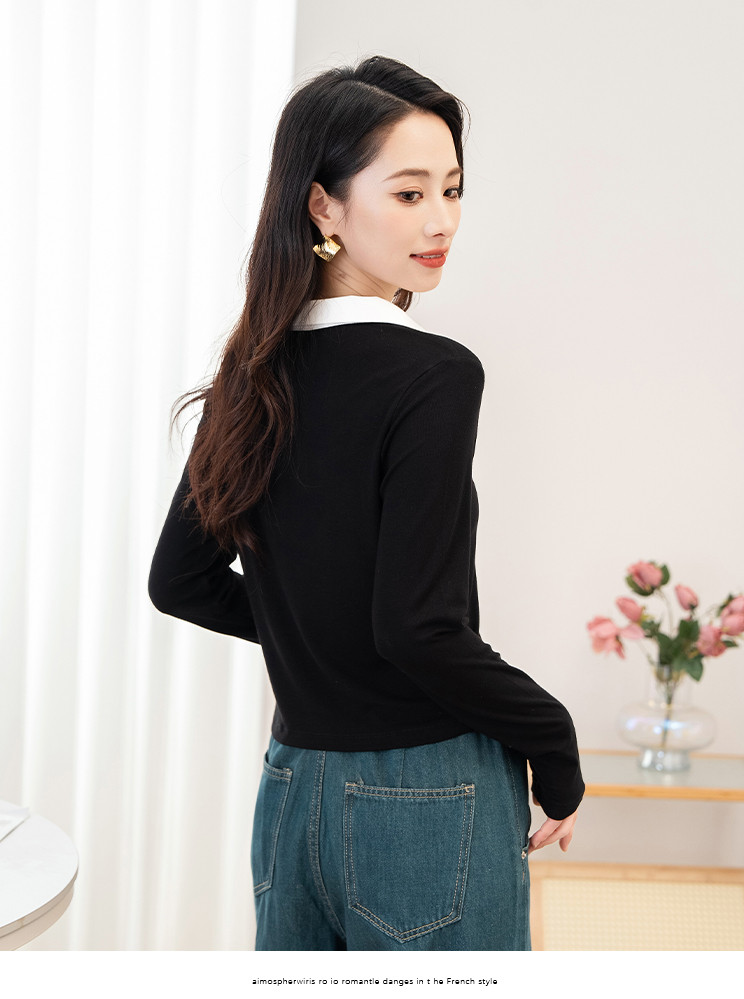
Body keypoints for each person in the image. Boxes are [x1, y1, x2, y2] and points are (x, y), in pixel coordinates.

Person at [148, 55, 584, 952]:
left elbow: (180, 582)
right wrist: (553, 735)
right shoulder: (433, 374)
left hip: (291, 787)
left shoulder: (250, 377)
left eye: (453, 190)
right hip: (429, 791)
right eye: (410, 193)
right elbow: (417, 628)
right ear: (324, 206)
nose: (442, 221)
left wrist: (317, 632)